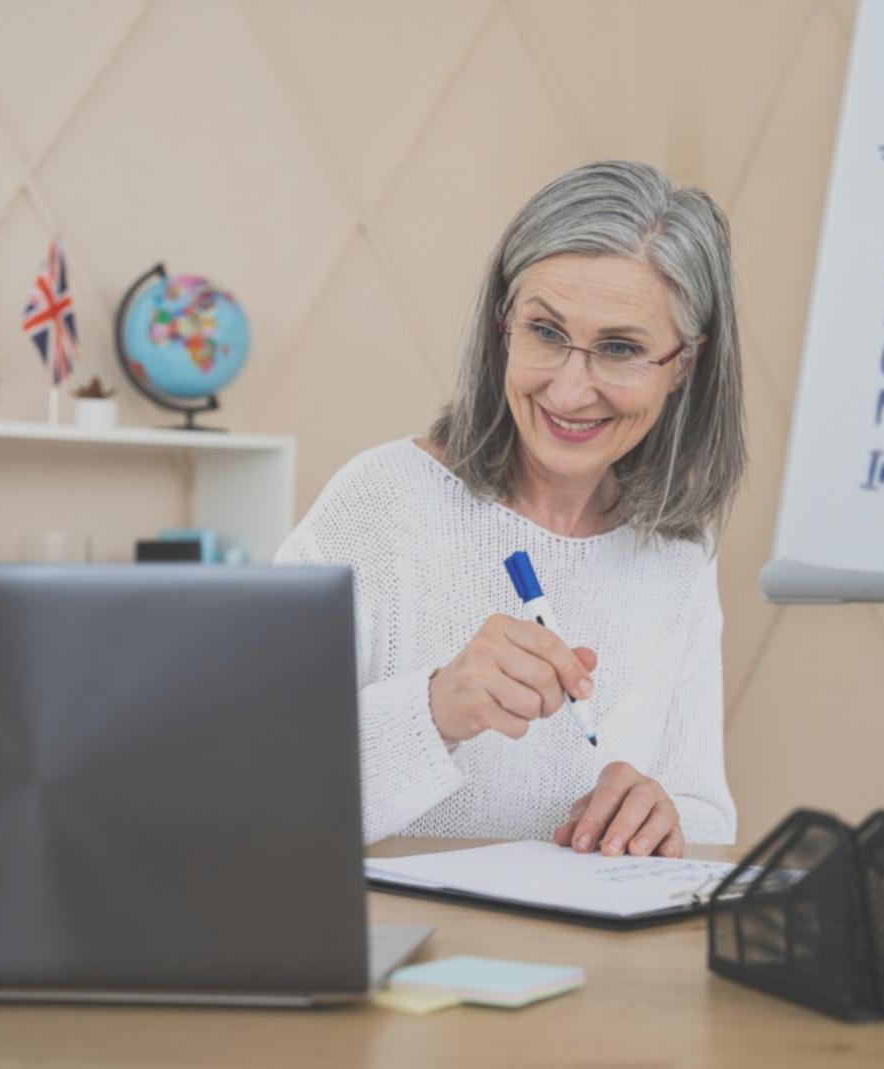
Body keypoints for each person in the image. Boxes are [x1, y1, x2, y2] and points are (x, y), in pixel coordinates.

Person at [274, 160, 747, 856]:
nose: (569, 388)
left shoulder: (677, 551)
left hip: (587, 960)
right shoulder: (378, 502)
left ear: (684, 365)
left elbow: (708, 816)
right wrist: (431, 711)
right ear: (503, 325)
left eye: (619, 348)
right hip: (395, 953)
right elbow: (254, 783)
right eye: (546, 333)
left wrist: (661, 813)